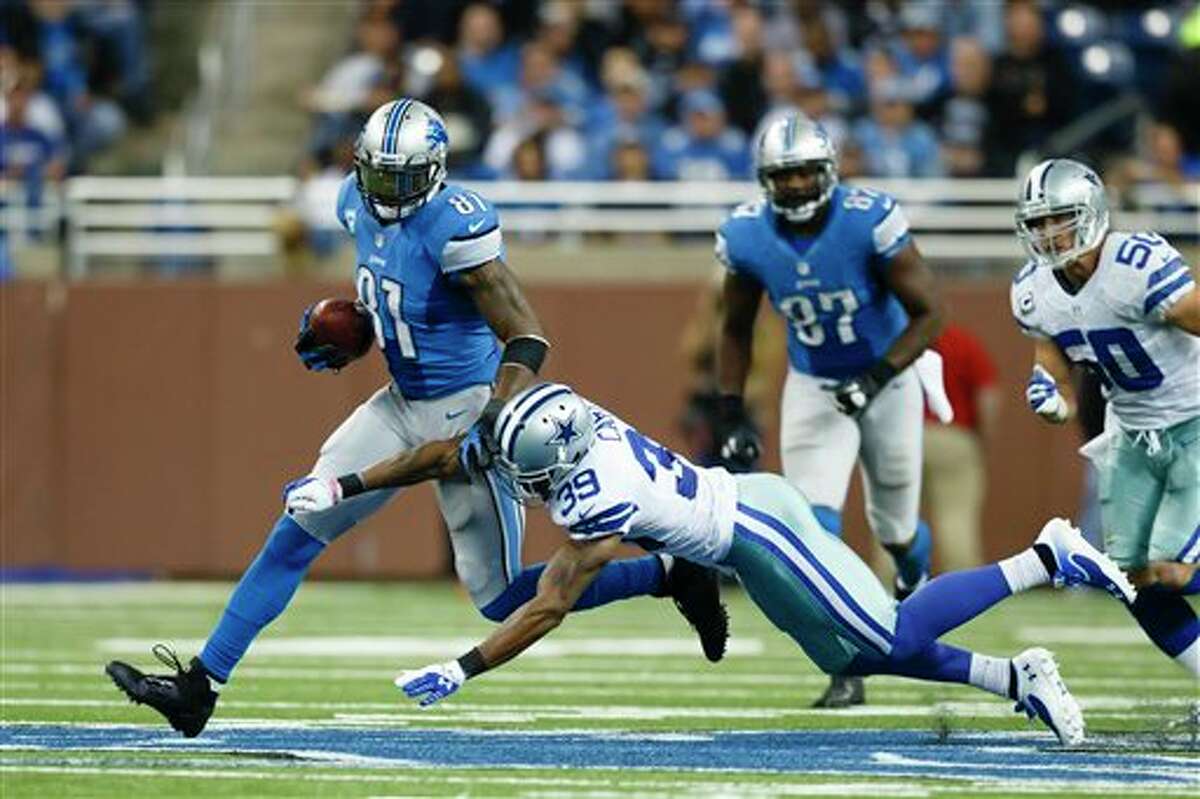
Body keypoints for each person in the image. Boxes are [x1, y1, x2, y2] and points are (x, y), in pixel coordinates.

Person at [104, 99, 728, 738]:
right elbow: (401, 301)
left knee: (501, 599)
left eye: (401, 179)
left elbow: (527, 336)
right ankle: (199, 686)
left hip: (467, 407)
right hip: (402, 401)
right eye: (377, 175)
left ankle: (669, 572)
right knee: (299, 522)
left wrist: (493, 415)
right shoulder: (353, 200)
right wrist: (353, 332)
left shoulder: (455, 228)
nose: (386, 191)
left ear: (433, 173)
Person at [288, 382, 1141, 747]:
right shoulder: (572, 423)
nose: (525, 482)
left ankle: (1043, 555)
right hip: (741, 527)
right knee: (852, 653)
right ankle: (1012, 678)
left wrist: (463, 664)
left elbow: (550, 602)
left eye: (533, 472)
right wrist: (348, 480)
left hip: (759, 530)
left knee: (884, 628)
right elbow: (456, 454)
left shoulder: (595, 490)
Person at [713, 110, 944, 708]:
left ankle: (913, 578)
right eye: (782, 176)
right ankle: (848, 665)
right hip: (815, 383)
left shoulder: (869, 220)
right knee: (813, 530)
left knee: (894, 527)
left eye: (804, 174)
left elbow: (930, 314)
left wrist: (877, 376)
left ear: (830, 171)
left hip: (888, 379)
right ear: (764, 180)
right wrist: (731, 409)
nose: (793, 186)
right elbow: (735, 328)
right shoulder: (745, 235)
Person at [1010, 157, 1200, 678]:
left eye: (1061, 217)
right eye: (1039, 222)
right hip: (1133, 431)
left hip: (1193, 417)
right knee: (1128, 577)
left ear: (1092, 211)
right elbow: (1052, 351)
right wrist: (1050, 391)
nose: (1050, 232)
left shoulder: (1136, 262)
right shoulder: (1034, 290)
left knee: (1172, 571)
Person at [922, 323, 1001, 570]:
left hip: (902, 436)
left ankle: (884, 586)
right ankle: (962, 584)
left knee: (895, 518)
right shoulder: (961, 341)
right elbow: (987, 394)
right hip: (953, 435)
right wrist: (983, 438)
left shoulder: (891, 339)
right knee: (955, 518)